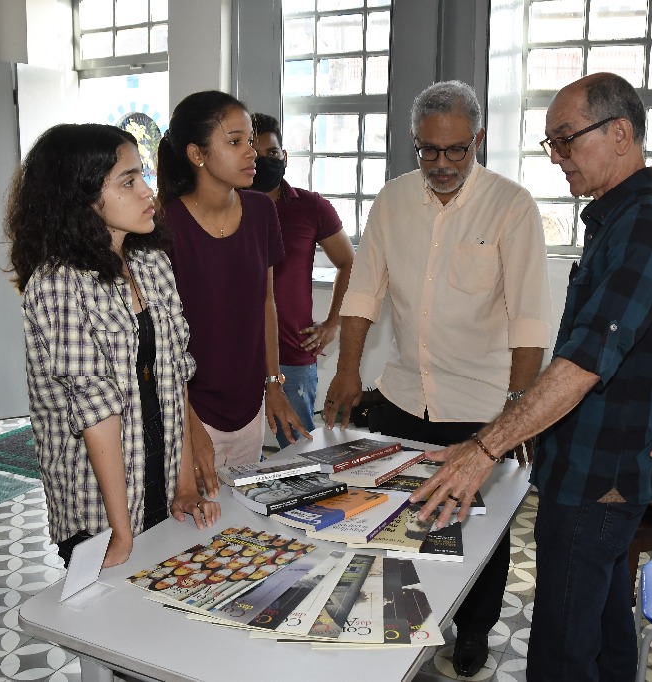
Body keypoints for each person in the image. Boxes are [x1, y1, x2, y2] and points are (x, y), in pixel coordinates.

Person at [412, 72, 652, 682]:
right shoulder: (618, 221)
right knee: (603, 625)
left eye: (567, 140)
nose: (558, 158)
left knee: (562, 648)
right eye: (551, 143)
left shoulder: (645, 225)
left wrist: (484, 446)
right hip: (594, 467)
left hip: (599, 476)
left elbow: (587, 359)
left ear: (620, 133)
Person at [322, 80, 553, 677]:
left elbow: (528, 317)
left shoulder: (512, 205)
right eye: (429, 151)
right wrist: (348, 370)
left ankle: (473, 630)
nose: (442, 164)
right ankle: (406, 619)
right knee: (401, 518)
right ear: (413, 144)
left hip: (482, 410)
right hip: (404, 398)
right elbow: (365, 291)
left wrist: (518, 410)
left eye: (456, 151)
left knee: (480, 531)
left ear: (478, 139)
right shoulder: (393, 201)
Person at [6, 123, 221, 569]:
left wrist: (183, 485)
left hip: (160, 489)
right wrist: (121, 533)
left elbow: (173, 377)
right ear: (80, 196)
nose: (148, 193)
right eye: (129, 181)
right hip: (99, 512)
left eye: (143, 176)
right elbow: (96, 415)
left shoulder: (150, 263)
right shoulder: (58, 284)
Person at [156, 91, 311, 469]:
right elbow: (162, 341)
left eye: (250, 139)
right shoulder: (164, 226)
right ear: (197, 155)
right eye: (235, 141)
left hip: (249, 403)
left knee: (237, 516)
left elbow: (265, 302)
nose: (252, 152)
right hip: (189, 408)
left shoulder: (260, 211)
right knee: (193, 519)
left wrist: (273, 384)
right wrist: (188, 422)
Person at [249, 112, 355, 448]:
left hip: (290, 356)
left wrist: (333, 323)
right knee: (234, 454)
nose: (265, 161)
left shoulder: (310, 207)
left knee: (299, 450)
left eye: (272, 153)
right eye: (255, 154)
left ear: (284, 157)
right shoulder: (227, 208)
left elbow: (349, 262)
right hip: (238, 355)